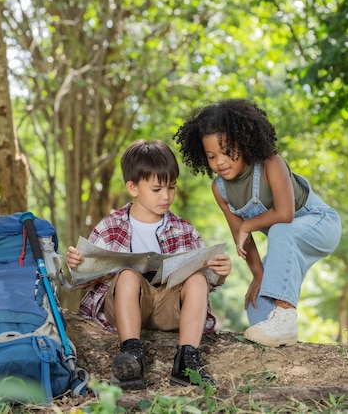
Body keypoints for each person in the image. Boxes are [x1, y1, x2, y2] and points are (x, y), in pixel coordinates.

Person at [173, 99, 341, 348]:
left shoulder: (271, 164)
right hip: (287, 239)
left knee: (280, 230)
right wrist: (258, 275)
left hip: (320, 224)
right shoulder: (220, 189)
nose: (220, 161)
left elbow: (284, 214)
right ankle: (278, 335)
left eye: (227, 151)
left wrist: (247, 225)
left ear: (245, 142)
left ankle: (285, 317)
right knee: (257, 306)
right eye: (211, 155)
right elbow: (241, 238)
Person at [65, 139, 232, 390]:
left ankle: (186, 361)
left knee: (197, 279)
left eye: (172, 188)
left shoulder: (183, 229)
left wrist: (219, 273)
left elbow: (205, 280)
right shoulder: (110, 227)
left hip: (168, 307)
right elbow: (83, 279)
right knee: (128, 276)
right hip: (126, 306)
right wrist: (76, 264)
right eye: (157, 189)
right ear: (133, 187)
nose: (166, 196)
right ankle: (131, 355)